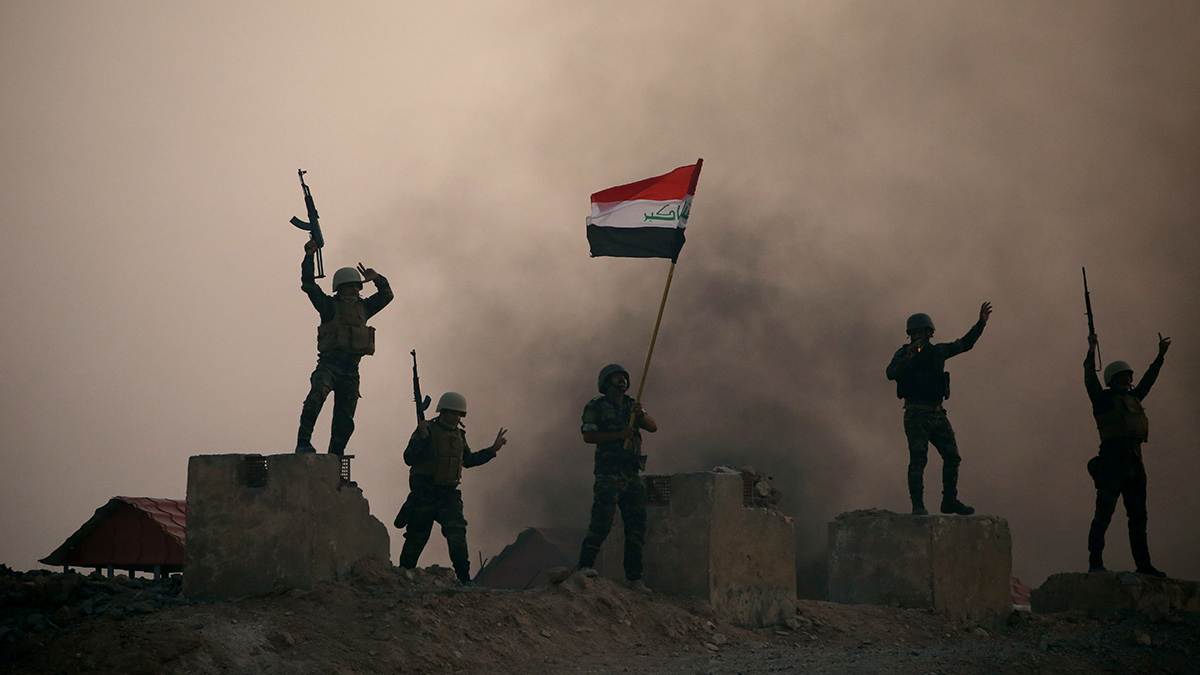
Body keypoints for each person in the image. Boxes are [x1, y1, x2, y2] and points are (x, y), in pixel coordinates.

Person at [886, 303, 992, 516]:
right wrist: (907, 357)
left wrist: (981, 324)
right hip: (916, 414)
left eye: (921, 333)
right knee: (918, 460)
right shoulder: (903, 354)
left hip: (936, 413)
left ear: (929, 333)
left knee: (952, 456)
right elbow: (890, 373)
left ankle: (949, 500)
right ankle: (917, 505)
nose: (918, 337)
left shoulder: (938, 352)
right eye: (914, 333)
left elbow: (965, 344)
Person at [396, 392, 507, 586]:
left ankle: (464, 578)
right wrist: (422, 438)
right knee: (417, 537)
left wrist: (493, 450)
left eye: (460, 415)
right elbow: (408, 458)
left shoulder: (458, 436)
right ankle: (403, 575)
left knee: (457, 535)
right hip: (424, 494)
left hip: (448, 495)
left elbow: (469, 460)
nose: (458, 418)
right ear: (443, 412)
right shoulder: (427, 430)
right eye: (454, 414)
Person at [1084, 331, 1170, 577]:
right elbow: (1090, 379)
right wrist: (1091, 352)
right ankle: (1095, 562)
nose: (1128, 380)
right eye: (1123, 376)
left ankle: (1144, 564)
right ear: (1112, 379)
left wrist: (1160, 357)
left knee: (1138, 518)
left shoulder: (1133, 399)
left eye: (1128, 376)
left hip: (1134, 463)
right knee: (1103, 515)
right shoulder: (1103, 400)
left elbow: (1147, 382)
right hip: (1112, 463)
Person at [295, 238, 393, 454]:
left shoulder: (364, 308)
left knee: (345, 419)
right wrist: (309, 256)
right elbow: (309, 285)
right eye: (348, 287)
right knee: (316, 396)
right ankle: (303, 442)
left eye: (355, 287)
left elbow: (387, 296)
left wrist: (377, 279)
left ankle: (335, 460)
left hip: (352, 369)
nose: (352, 290)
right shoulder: (329, 306)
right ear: (339, 289)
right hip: (330, 365)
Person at [575, 364, 658, 593]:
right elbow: (589, 436)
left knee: (636, 525)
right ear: (605, 383)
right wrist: (618, 435)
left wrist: (640, 414)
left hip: (631, 473)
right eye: (616, 378)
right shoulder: (596, 406)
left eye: (624, 377)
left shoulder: (633, 406)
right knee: (602, 520)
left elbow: (652, 427)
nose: (622, 381)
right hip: (608, 472)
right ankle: (584, 566)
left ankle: (634, 577)